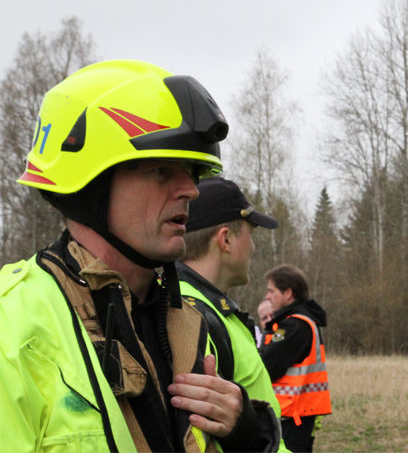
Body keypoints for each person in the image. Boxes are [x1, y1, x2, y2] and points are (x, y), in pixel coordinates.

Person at [0, 60, 279, 451]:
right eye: (162, 170)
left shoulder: (192, 325)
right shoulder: (12, 325)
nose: (191, 190)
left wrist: (246, 435)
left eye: (192, 172)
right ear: (90, 185)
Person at [178, 175, 289, 450]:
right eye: (250, 235)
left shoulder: (208, 310)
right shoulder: (191, 317)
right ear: (226, 239)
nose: (253, 247)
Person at [259, 264, 332, 452]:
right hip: (295, 414)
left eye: (271, 291)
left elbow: (265, 365)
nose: (267, 297)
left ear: (288, 293)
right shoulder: (299, 322)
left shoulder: (295, 326)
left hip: (291, 415)